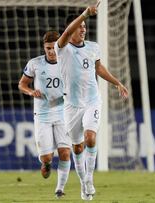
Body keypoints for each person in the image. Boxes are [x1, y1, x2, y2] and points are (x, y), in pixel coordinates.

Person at [54, 1, 129, 200]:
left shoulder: (93, 47)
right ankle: (83, 184)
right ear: (70, 30)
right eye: (80, 28)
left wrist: (116, 82)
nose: (83, 30)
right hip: (71, 105)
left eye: (85, 28)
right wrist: (85, 14)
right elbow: (68, 32)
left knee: (90, 138)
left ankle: (89, 179)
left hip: (92, 101)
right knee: (77, 147)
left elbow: (98, 69)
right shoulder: (61, 48)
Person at [18, 30, 71, 199]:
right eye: (48, 48)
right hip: (42, 115)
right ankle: (47, 164)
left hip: (63, 113)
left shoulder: (68, 63)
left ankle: (60, 189)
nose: (51, 51)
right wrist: (31, 92)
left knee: (65, 153)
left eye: (54, 47)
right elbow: (22, 84)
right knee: (47, 157)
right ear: (44, 47)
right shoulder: (35, 64)